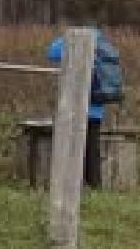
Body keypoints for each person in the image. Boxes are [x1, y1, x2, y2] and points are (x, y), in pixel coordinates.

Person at [47, 28, 118, 189]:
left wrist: (63, 37)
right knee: (92, 147)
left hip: (77, 106)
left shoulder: (75, 41)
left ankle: (74, 184)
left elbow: (52, 53)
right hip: (97, 107)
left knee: (73, 146)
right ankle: (95, 184)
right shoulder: (103, 44)